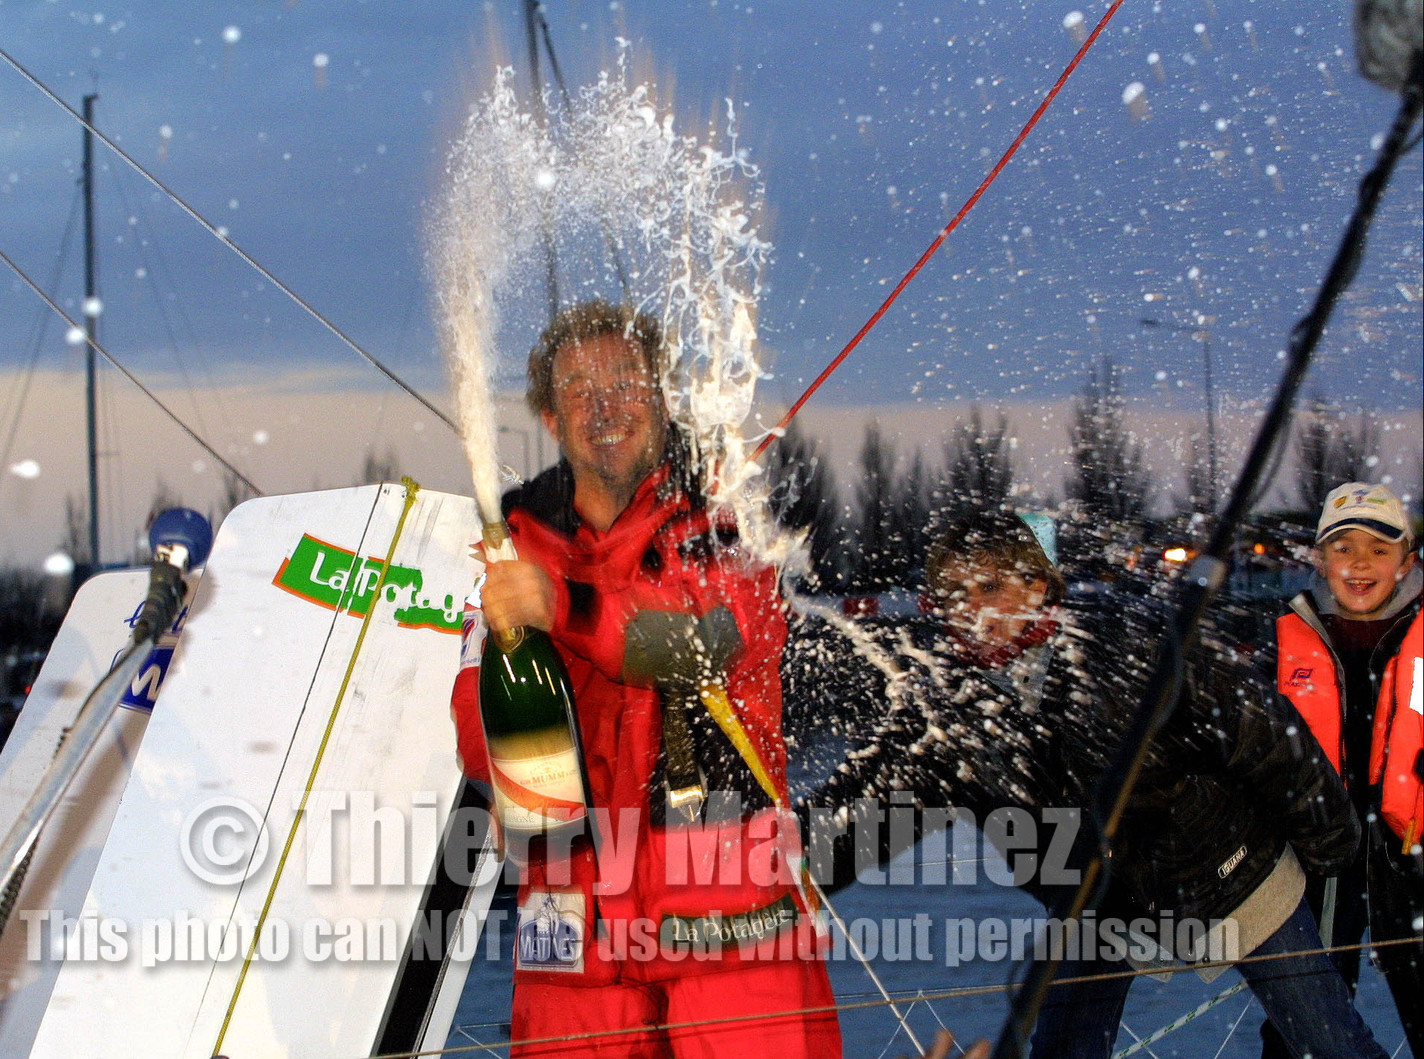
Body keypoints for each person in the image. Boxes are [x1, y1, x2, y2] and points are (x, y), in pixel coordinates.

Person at [801, 510, 1386, 1059]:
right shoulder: (945, 714)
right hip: (1095, 907)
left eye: (989, 588)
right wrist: (764, 877)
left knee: (1328, 1041)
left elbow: (1262, 731)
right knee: (1063, 1048)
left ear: (1040, 588)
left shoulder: (1133, 646)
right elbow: (866, 812)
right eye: (950, 596)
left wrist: (1331, 849)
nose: (969, 611)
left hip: (1231, 872)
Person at [449, 301, 841, 1058]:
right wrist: (498, 773)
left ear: (661, 394)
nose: (606, 406)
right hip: (572, 942)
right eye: (579, 389)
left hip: (730, 930)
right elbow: (473, 686)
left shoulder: (729, 518)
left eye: (627, 380)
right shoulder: (514, 542)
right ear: (549, 416)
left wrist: (561, 604)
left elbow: (699, 640)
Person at [1266, 481, 1423, 1057]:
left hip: (1413, 851)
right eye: (1343, 547)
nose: (1360, 563)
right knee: (1307, 1028)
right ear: (1317, 558)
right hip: (1319, 859)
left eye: (1380, 550)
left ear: (1408, 561)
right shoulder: (1277, 639)